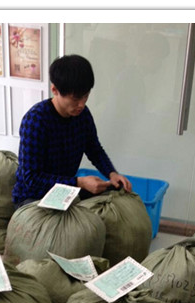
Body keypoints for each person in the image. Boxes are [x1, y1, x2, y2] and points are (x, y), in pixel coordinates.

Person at [12, 54, 132, 208]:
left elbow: (94, 150)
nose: (81, 104)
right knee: (77, 222)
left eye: (85, 96)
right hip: (32, 198)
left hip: (65, 192)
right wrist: (79, 182)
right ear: (55, 90)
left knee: (116, 195)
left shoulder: (83, 115)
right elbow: (31, 180)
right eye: (75, 99)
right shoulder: (35, 121)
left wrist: (112, 174)